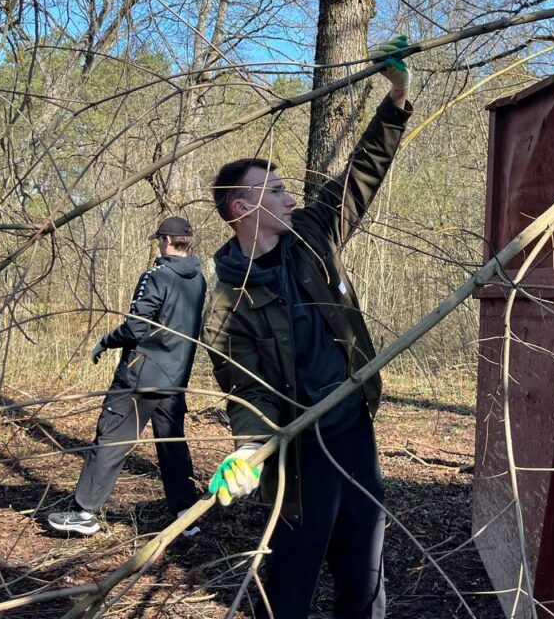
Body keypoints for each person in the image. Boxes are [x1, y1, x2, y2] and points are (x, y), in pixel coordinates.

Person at [203, 37, 412, 618]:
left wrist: (397, 97)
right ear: (242, 209)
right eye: (274, 191)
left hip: (353, 426)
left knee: (364, 563)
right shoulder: (226, 300)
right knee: (293, 572)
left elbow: (361, 172)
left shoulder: (313, 235)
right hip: (299, 448)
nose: (289, 197)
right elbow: (244, 388)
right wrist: (249, 451)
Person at [48, 216, 207, 536]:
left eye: (158, 240)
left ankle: (85, 512)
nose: (158, 245)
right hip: (174, 379)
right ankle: (186, 514)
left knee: (112, 438)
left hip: (140, 378)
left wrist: (106, 341)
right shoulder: (199, 280)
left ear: (165, 240)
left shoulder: (156, 277)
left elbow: (135, 328)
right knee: (172, 444)